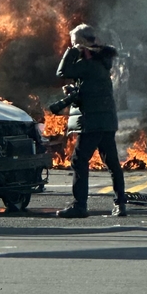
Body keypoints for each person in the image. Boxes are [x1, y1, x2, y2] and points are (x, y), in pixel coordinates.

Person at [55, 24, 127, 218]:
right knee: (111, 162)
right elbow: (91, 91)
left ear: (85, 42)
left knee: (79, 161)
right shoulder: (100, 61)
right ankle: (120, 204)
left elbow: (62, 72)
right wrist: (75, 92)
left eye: (75, 43)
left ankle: (79, 206)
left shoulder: (89, 63)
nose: (73, 47)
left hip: (94, 121)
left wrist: (72, 50)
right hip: (105, 120)